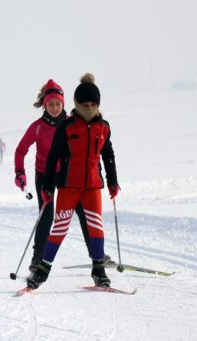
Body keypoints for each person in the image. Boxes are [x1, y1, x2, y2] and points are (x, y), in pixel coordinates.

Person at [27, 73, 120, 290]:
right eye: (85, 104)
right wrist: (47, 187)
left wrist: (113, 182)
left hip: (93, 187)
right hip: (69, 186)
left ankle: (99, 271)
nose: (89, 107)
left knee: (96, 228)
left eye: (93, 104)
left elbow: (108, 155)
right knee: (59, 227)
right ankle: (42, 271)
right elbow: (53, 158)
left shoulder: (103, 127)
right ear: (76, 104)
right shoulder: (67, 127)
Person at [13, 79, 97, 274]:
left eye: (58, 103)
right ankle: (37, 259)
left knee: (82, 210)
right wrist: (20, 173)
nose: (54, 107)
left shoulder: (71, 124)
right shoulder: (37, 127)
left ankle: (96, 254)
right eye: (50, 103)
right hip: (44, 175)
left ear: (63, 103)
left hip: (68, 174)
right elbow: (20, 150)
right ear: (44, 104)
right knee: (46, 215)